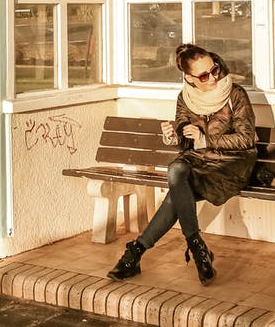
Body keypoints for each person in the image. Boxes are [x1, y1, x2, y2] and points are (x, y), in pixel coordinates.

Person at [107, 43, 257, 286]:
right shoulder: (185, 98)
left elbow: (246, 138)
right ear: (189, 78)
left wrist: (205, 139)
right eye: (204, 75)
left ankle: (135, 252)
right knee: (176, 170)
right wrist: (173, 135)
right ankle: (197, 247)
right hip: (200, 161)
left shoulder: (235, 94)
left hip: (232, 164)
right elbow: (186, 141)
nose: (213, 77)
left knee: (175, 195)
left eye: (215, 69)